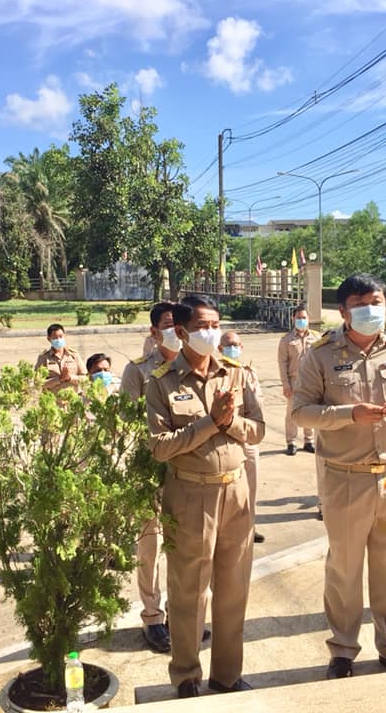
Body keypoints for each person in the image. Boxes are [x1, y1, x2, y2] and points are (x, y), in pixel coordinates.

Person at [291, 273, 386, 678]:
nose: (371, 310)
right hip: (345, 477)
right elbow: (300, 412)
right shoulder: (319, 355)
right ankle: (342, 649)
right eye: (361, 303)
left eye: (377, 301)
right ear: (343, 311)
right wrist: (347, 415)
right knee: (344, 568)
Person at [147, 295, 265, 699]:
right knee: (188, 591)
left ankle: (227, 674)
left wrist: (229, 422)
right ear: (180, 332)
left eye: (215, 324)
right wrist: (209, 423)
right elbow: (160, 447)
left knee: (234, 589)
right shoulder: (162, 380)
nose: (210, 332)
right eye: (200, 326)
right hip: (189, 493)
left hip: (236, 491)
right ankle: (185, 675)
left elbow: (259, 430)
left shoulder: (237, 373)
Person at [120, 302, 181, 654]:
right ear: (155, 332)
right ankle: (153, 617)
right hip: (148, 471)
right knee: (150, 546)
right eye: (169, 324)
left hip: (187, 472)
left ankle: (180, 614)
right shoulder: (138, 372)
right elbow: (126, 426)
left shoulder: (194, 365)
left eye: (179, 323)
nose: (176, 330)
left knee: (185, 548)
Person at [218, 330, 265, 544]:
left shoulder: (248, 372)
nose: (233, 348)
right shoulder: (216, 373)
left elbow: (256, 409)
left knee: (251, 489)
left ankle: (250, 526)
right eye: (228, 345)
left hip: (247, 439)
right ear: (219, 349)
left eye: (236, 344)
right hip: (224, 442)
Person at [277, 305, 319, 456]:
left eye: (304, 318)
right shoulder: (286, 340)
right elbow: (282, 363)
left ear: (308, 319)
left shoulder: (317, 338)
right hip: (294, 381)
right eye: (298, 317)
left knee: (310, 411)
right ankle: (291, 442)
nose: (301, 320)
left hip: (312, 381)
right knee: (291, 413)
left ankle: (309, 441)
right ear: (293, 318)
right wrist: (286, 384)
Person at [35, 323, 87, 392]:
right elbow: (38, 383)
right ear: (49, 339)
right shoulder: (43, 357)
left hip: (74, 399)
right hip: (53, 400)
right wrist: (58, 379)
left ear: (64, 336)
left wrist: (70, 378)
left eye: (60, 336)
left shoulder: (74, 355)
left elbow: (84, 378)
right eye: (55, 337)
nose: (58, 339)